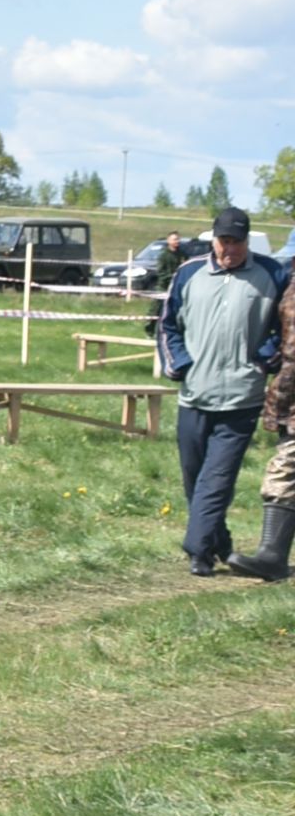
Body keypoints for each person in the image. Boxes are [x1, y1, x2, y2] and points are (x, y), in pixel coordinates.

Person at [157, 205, 283, 575]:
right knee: (194, 478)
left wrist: (262, 361)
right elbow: (167, 325)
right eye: (224, 241)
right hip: (195, 396)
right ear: (213, 240)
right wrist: (179, 364)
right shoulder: (188, 272)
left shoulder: (272, 274)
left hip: (242, 398)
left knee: (216, 479)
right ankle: (221, 543)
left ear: (247, 241)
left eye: (237, 242)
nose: (230, 249)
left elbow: (283, 328)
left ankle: (197, 551)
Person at [228, 248, 295, 579]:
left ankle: (273, 557)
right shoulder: (289, 285)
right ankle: (272, 556)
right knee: (286, 467)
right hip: (291, 395)